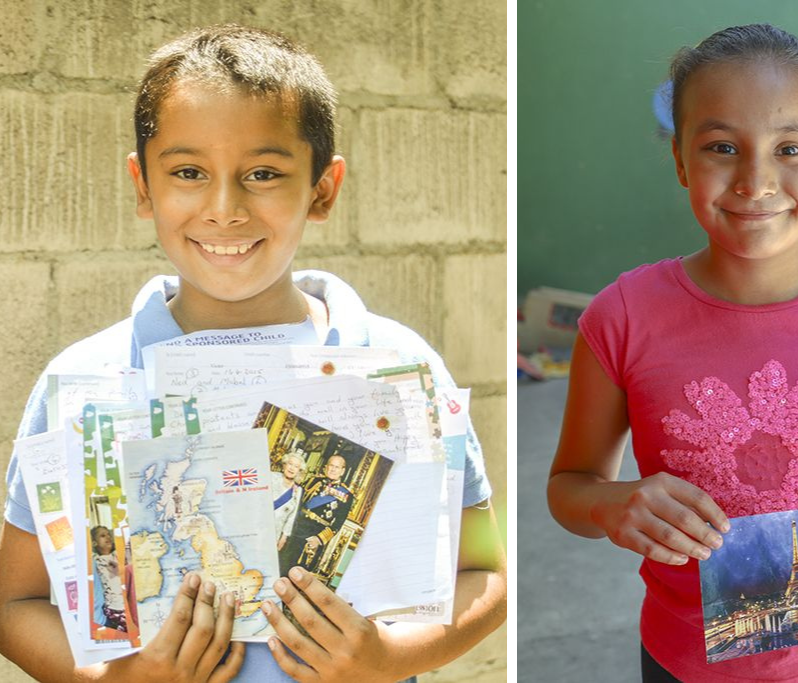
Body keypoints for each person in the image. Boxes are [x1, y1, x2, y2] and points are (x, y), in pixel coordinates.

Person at [0, 24, 506, 683]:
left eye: (263, 174)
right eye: (188, 172)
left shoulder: (395, 366)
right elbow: (14, 601)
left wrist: (388, 658)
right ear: (143, 184)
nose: (224, 208)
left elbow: (486, 571)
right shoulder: (86, 382)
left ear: (323, 190)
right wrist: (118, 681)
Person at [547, 24, 798, 683]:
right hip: (684, 662)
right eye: (722, 146)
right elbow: (569, 487)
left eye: (791, 148)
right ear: (679, 158)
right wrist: (613, 503)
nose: (756, 179)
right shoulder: (620, 317)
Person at [279, 455, 353, 578]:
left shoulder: (346, 495)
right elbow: (297, 504)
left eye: (337, 467)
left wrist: (319, 539)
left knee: (297, 573)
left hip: (313, 535)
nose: (333, 469)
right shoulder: (313, 481)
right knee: (281, 561)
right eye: (331, 466)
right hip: (295, 527)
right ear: (326, 467)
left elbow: (338, 523)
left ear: (342, 471)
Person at [90, 525, 128, 634]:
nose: (108, 537)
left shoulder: (117, 556)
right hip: (113, 609)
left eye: (108, 535)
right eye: (102, 536)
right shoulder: (96, 560)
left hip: (125, 605)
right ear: (94, 543)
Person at [270, 451, 306, 550]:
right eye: (290, 464)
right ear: (284, 465)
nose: (292, 468)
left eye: (296, 466)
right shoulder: (271, 477)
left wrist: (284, 537)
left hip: (274, 533)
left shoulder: (298, 491)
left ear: (299, 471)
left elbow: (292, 516)